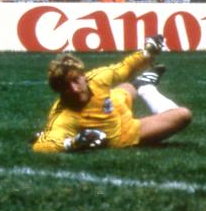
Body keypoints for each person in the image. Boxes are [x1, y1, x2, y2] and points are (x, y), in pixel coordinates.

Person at [31, 35, 192, 153]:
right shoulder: (63, 115)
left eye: (75, 80)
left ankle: (143, 85)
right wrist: (72, 143)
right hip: (126, 133)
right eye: (66, 86)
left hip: (115, 103)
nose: (74, 89)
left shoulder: (97, 78)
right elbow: (42, 145)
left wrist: (148, 51)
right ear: (58, 90)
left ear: (83, 75)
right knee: (183, 115)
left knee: (126, 87)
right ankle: (147, 88)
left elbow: (125, 67)